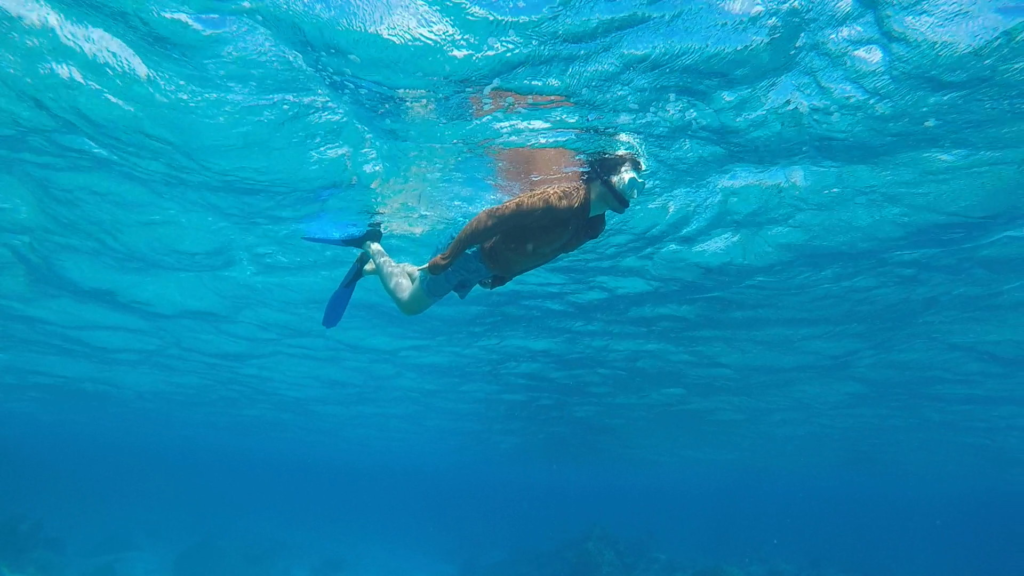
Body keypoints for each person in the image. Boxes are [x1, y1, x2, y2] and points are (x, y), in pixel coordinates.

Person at [305, 91, 646, 322]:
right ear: (604, 175)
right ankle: (372, 245)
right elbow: (493, 217)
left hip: (486, 266)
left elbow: (548, 252)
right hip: (471, 252)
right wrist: (451, 255)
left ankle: (372, 268)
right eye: (629, 175)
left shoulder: (594, 225)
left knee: (425, 275)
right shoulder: (562, 199)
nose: (634, 186)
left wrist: (505, 275)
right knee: (411, 306)